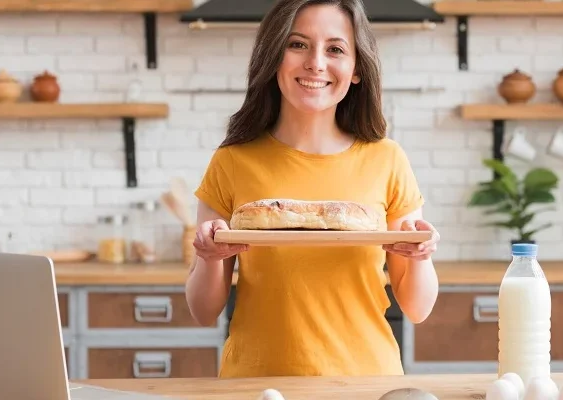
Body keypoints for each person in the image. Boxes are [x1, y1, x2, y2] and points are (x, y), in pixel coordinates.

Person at [185, 0, 441, 378]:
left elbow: (417, 308)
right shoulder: (232, 162)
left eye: (335, 49)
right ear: (274, 58)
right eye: (298, 44)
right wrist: (208, 258)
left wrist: (421, 256)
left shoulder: (387, 160)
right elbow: (204, 311)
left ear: (356, 69)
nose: (316, 63)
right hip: (256, 384)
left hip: (365, 383)